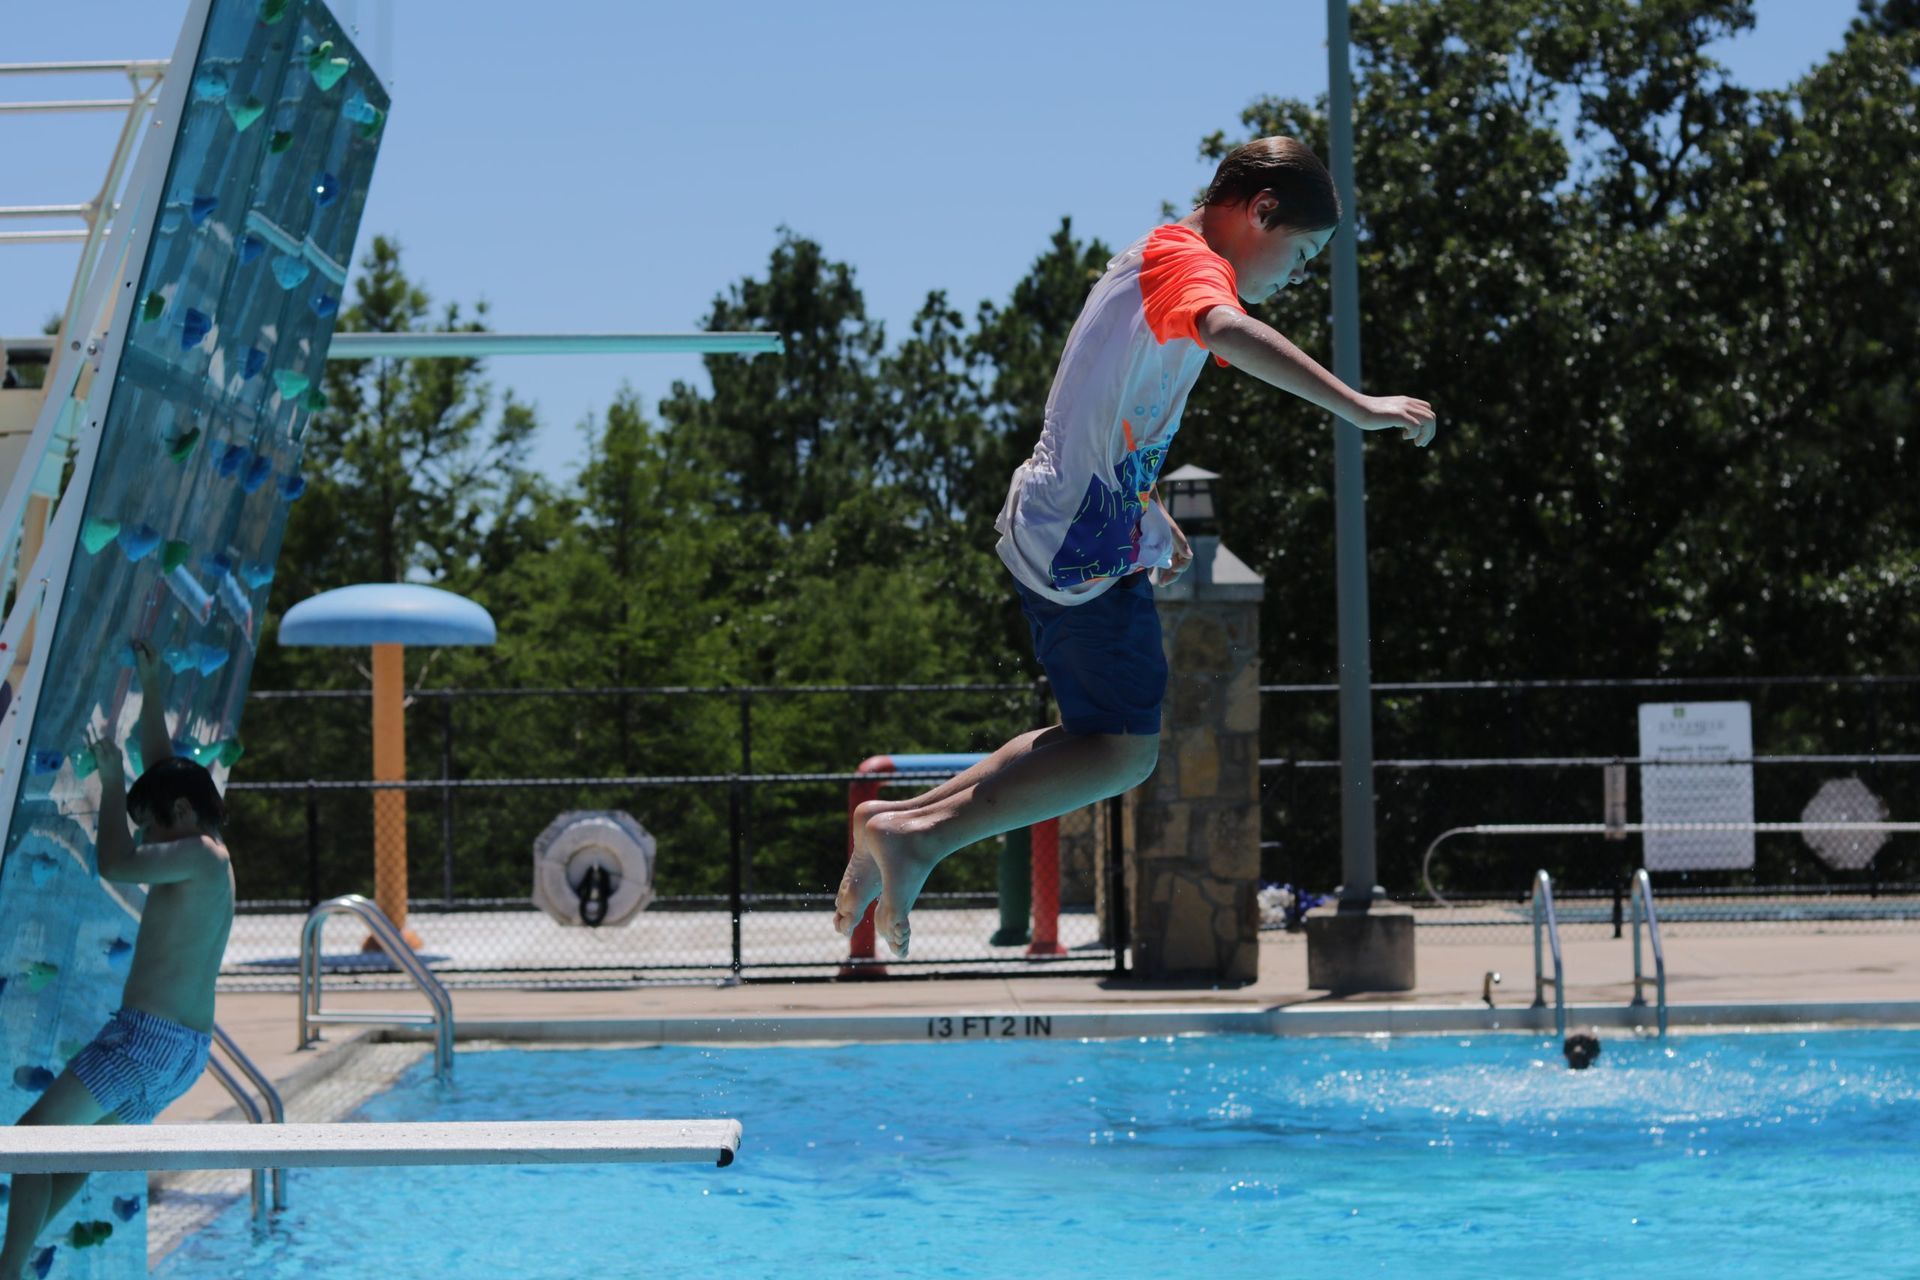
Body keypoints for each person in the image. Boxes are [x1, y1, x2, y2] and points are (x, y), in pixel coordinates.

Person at [836, 136, 1437, 955]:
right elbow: (1226, 330)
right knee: (1123, 753)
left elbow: (1111, 404)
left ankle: (897, 825)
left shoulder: (1162, 258)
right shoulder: (1191, 268)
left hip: (1073, 532)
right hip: (1074, 542)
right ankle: (921, 839)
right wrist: (1357, 405)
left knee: (1095, 732)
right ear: (1260, 213)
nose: (1297, 278)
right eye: (1302, 255)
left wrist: (1144, 510)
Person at [0, 641, 234, 1279]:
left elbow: (114, 864)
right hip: (178, 1051)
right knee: (69, 1158)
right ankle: (13, 1261)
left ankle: (9, 1269)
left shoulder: (201, 857)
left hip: (146, 1041)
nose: (147, 842)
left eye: (150, 828)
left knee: (28, 1143)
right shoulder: (205, 849)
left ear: (181, 816)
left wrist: (108, 782)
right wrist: (152, 688)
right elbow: (164, 769)